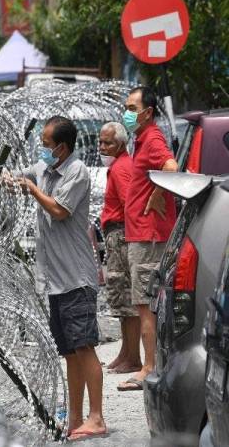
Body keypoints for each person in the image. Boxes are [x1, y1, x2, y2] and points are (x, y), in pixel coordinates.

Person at [0, 116, 106, 441]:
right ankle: (77, 417)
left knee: (85, 348)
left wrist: (34, 190)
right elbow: (5, 179)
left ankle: (97, 417)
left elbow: (59, 210)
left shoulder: (76, 172)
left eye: (46, 145)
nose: (42, 150)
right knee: (69, 352)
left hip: (77, 278)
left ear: (62, 148)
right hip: (57, 280)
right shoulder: (44, 169)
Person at [117, 86, 178, 392]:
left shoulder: (152, 138)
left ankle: (149, 367)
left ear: (148, 112)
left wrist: (156, 195)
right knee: (147, 304)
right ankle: (151, 365)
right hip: (142, 234)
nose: (127, 113)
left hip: (148, 235)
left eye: (132, 108)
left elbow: (171, 167)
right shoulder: (142, 140)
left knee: (145, 305)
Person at [99, 122, 142, 374]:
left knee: (127, 298)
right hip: (117, 235)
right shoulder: (118, 166)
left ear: (122, 144)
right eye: (101, 142)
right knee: (120, 299)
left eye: (108, 143)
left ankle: (133, 357)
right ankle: (126, 352)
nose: (102, 147)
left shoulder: (121, 168)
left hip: (122, 236)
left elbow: (130, 204)